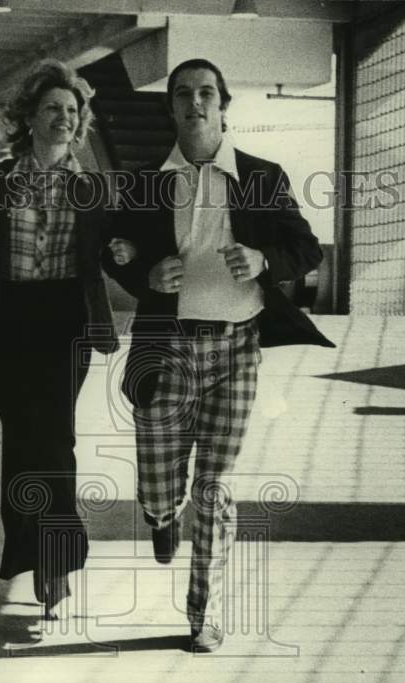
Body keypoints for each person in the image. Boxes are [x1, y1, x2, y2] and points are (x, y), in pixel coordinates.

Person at [102, 58, 335, 652]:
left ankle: (201, 614)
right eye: (184, 94)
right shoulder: (147, 180)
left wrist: (263, 262)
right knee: (160, 487)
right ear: (173, 108)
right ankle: (159, 516)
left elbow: (305, 247)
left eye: (207, 92)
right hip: (168, 349)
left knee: (214, 486)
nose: (196, 102)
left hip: (237, 348)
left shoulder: (260, 176)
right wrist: (144, 269)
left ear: (223, 104)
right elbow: (114, 250)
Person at [0, 59, 118, 620]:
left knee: (56, 438)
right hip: (11, 321)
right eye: (53, 109)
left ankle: (55, 558)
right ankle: (35, 551)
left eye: (72, 111)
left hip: (66, 321)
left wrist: (130, 256)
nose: (63, 118)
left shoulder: (90, 187)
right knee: (22, 441)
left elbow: (116, 250)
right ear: (31, 116)